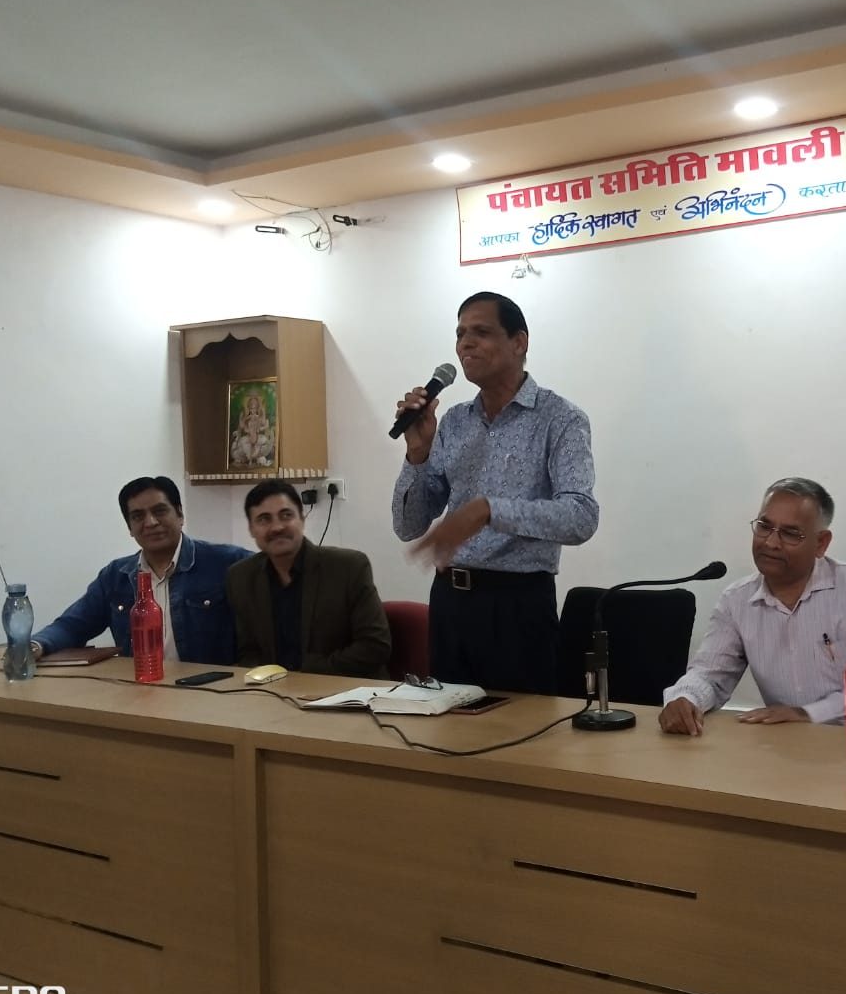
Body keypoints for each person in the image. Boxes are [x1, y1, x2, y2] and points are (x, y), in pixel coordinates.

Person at [390, 291, 597, 693]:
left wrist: (489, 510)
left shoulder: (560, 418)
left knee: (521, 728)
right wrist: (417, 453)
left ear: (519, 342)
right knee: (449, 726)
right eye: (460, 334)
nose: (465, 344)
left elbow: (581, 516)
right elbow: (408, 526)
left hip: (517, 606)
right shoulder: (453, 422)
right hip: (450, 602)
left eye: (481, 332)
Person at [658, 478, 846, 735]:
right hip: (790, 749)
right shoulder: (737, 600)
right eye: (764, 527)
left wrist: (811, 713)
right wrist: (685, 698)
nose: (771, 543)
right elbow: (709, 674)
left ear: (821, 543)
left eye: (790, 534)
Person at [32, 476, 251, 664]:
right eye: (138, 516)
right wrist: (35, 645)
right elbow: (73, 625)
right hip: (140, 688)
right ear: (129, 527)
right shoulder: (116, 576)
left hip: (211, 691)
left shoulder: (227, 563)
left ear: (180, 515)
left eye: (160, 511)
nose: (151, 522)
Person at [227, 479, 391, 677]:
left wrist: (303, 676)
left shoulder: (349, 567)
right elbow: (248, 652)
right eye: (264, 519)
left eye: (286, 515)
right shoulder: (241, 577)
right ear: (252, 530)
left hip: (346, 688)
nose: (277, 527)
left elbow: (375, 647)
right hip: (272, 691)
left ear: (302, 519)